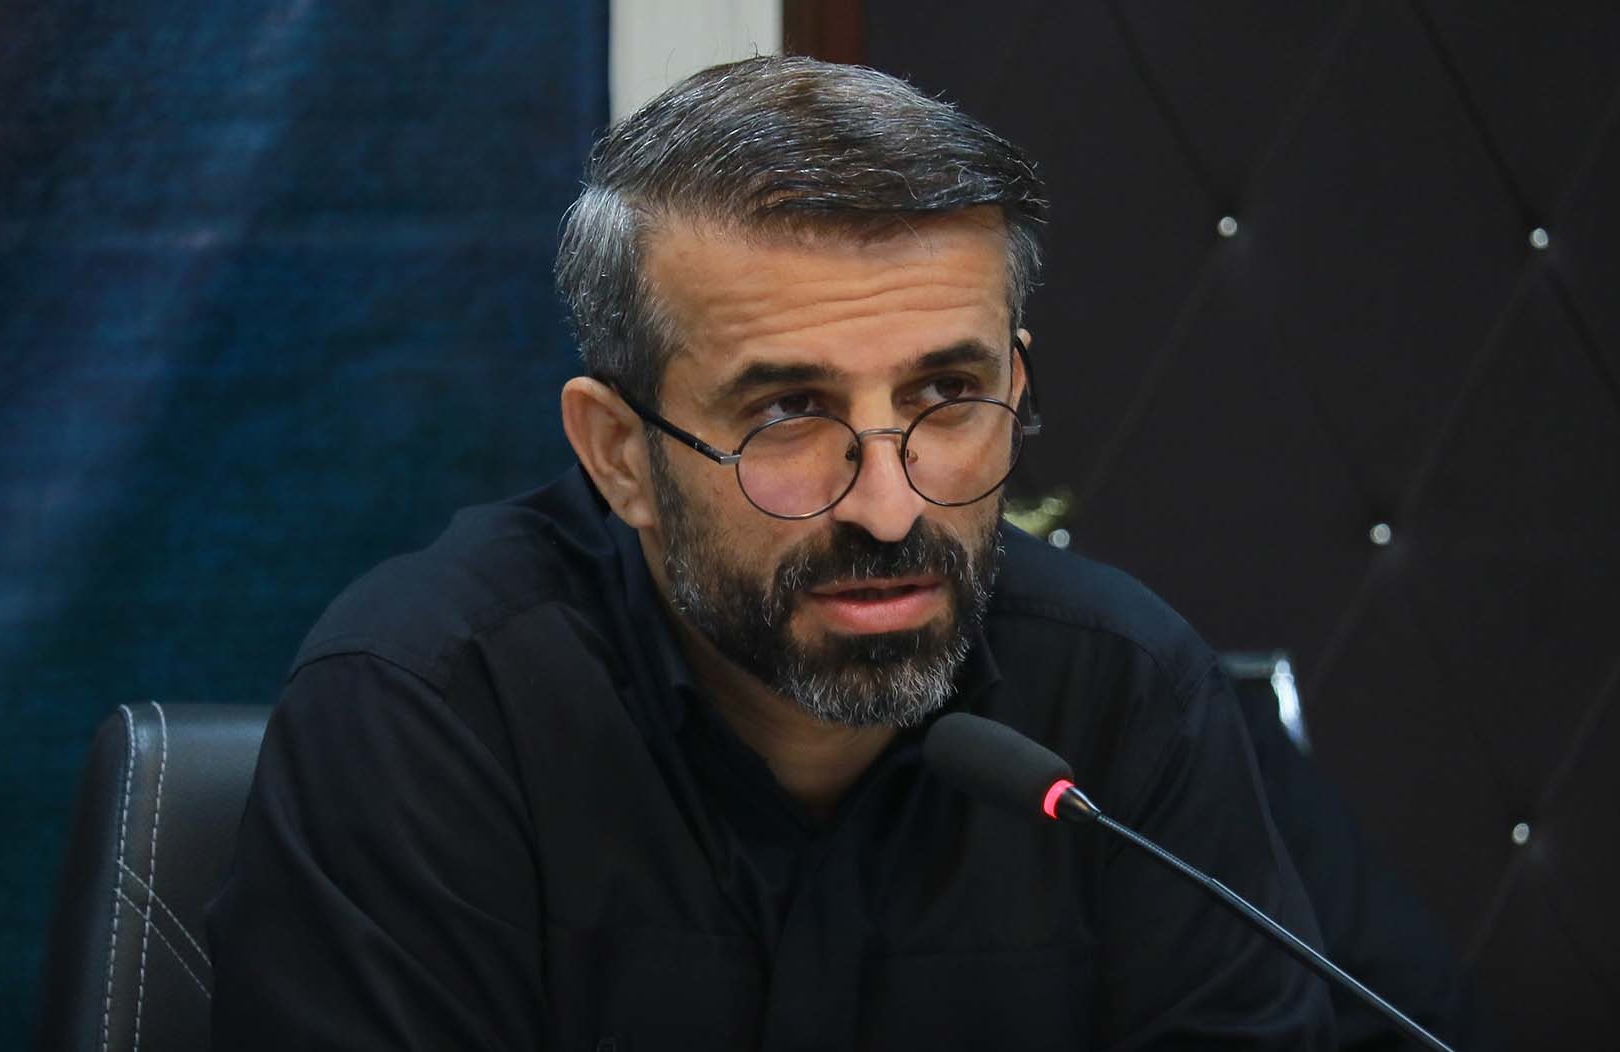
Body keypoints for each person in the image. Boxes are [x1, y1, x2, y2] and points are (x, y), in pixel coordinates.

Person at [209, 55, 1335, 1049]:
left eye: (948, 395)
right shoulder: (427, 708)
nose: (890, 508)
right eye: (788, 413)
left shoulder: (1125, 696)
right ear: (618, 455)